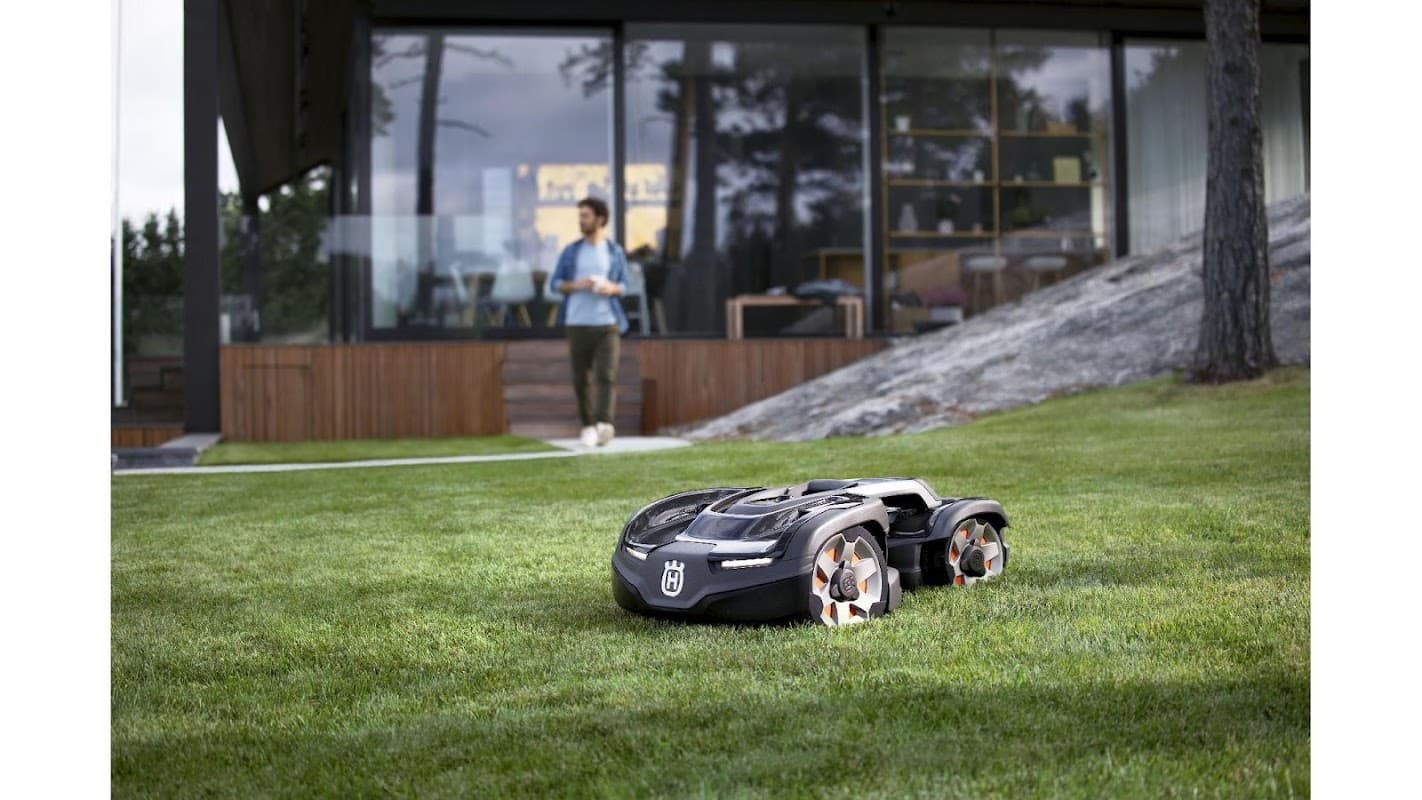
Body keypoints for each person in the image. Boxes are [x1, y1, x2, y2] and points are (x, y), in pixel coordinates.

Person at [549, 197, 630, 447]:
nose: (581, 220)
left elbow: (625, 286)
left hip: (608, 323)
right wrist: (577, 285)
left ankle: (604, 423)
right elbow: (553, 284)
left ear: (600, 219)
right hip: (577, 322)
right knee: (580, 378)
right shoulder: (572, 251)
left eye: (585, 215)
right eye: (580, 215)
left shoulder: (614, 251)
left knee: (607, 374)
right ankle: (588, 426)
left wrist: (611, 288)